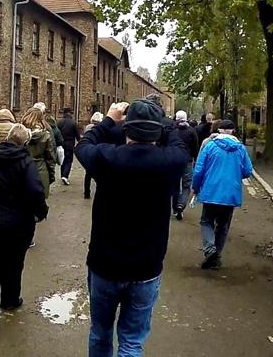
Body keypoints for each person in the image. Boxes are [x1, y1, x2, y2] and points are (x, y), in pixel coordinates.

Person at [75, 100, 190, 357]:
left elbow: (83, 145)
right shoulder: (170, 161)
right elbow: (179, 144)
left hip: (105, 263)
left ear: (127, 128)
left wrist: (107, 119)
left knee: (100, 331)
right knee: (132, 339)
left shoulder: (108, 158)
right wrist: (165, 122)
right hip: (146, 266)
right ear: (157, 130)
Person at [0, 122, 48, 333]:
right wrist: (40, 212)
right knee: (14, 263)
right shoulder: (26, 162)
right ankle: (10, 299)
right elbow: (35, 191)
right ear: (25, 142)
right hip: (17, 225)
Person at [191, 119, 254, 269]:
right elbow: (247, 171)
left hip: (211, 191)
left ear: (219, 130)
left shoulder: (210, 146)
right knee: (223, 225)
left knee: (207, 221)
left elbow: (199, 170)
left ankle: (209, 249)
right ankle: (216, 255)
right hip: (230, 193)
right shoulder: (240, 149)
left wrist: (195, 187)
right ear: (232, 131)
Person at [21, 107, 57, 200]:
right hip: (40, 169)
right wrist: (51, 175)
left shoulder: (19, 134)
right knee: (39, 202)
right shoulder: (45, 135)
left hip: (22, 169)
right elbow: (50, 158)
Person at [171, 110, 200, 221]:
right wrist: (194, 157)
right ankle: (181, 205)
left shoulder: (173, 131)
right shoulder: (191, 131)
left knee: (175, 185)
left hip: (174, 160)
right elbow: (195, 146)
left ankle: (175, 207)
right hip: (187, 161)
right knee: (186, 185)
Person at [82, 112, 105, 199]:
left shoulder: (88, 127)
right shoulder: (101, 128)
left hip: (89, 150)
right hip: (98, 150)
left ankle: (86, 192)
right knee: (98, 173)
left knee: (88, 174)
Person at [57, 108, 80, 185]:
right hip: (70, 144)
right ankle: (65, 175)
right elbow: (77, 135)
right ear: (70, 113)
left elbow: (57, 133)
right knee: (69, 160)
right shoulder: (73, 123)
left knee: (62, 159)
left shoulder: (59, 122)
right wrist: (80, 142)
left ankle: (62, 174)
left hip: (61, 143)